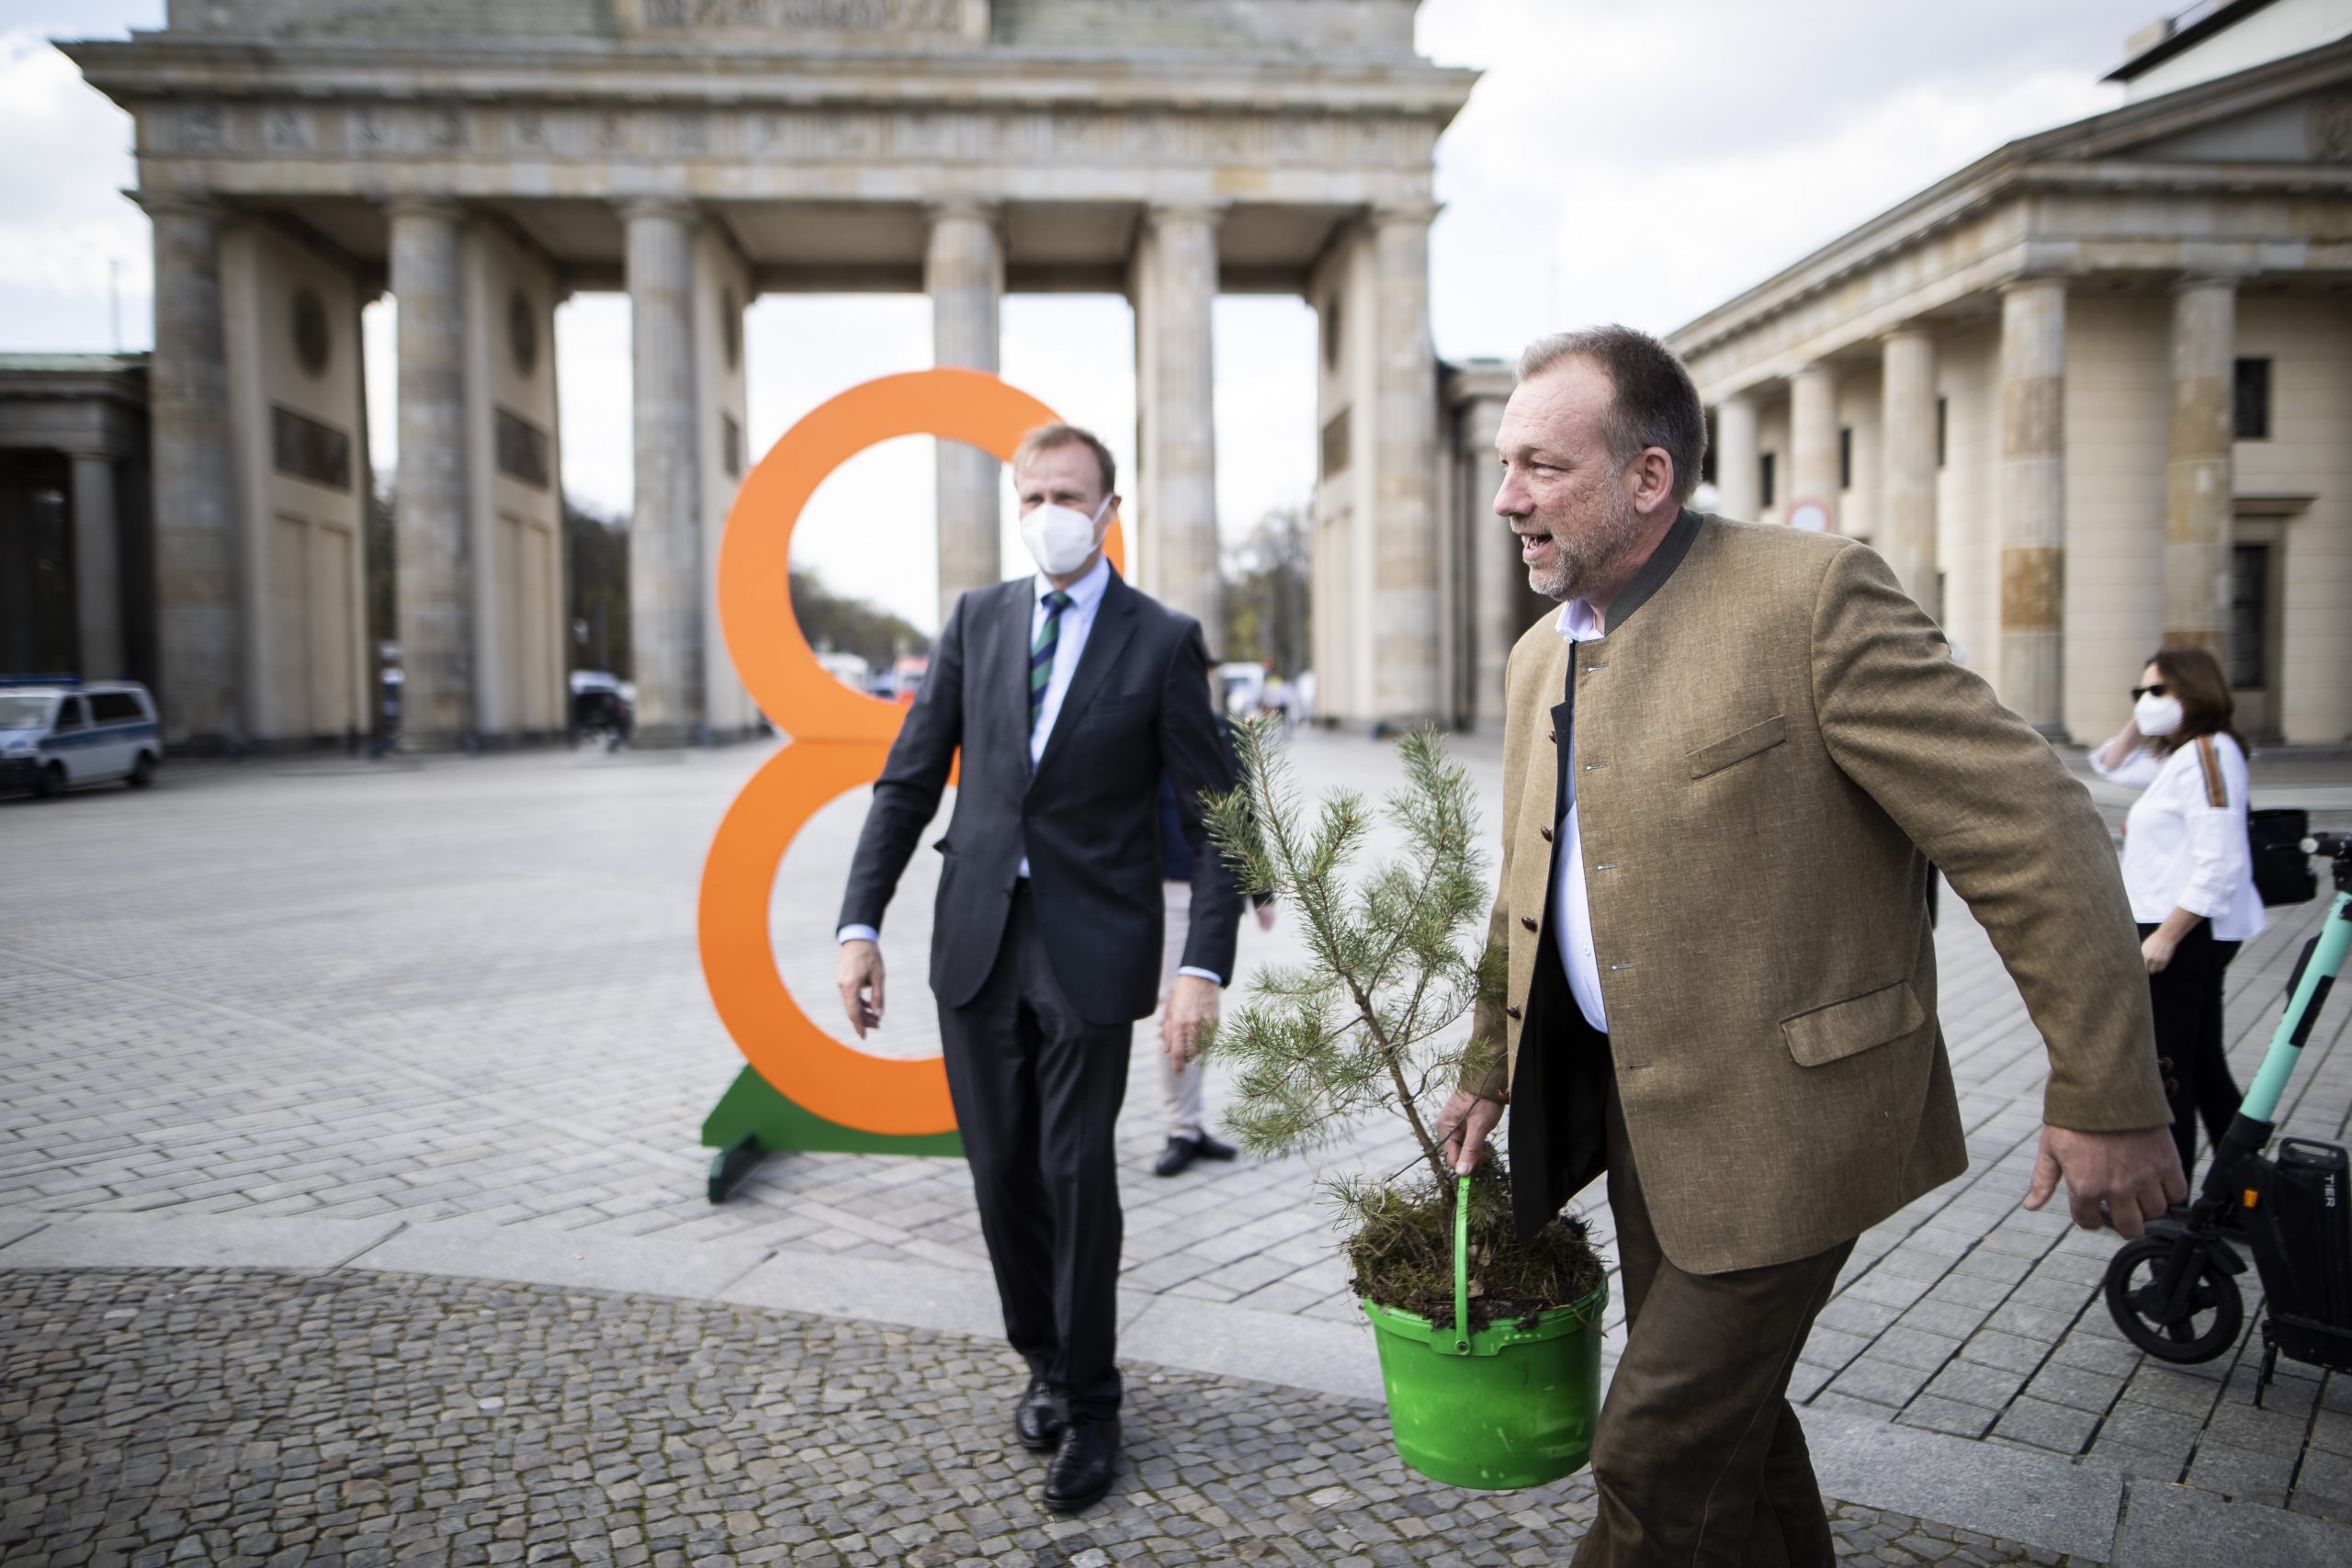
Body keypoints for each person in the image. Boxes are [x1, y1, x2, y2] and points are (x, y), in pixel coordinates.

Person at [1430, 326, 2179, 1568]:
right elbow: (1529, 885)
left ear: (1649, 477)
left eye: (1542, 466)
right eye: (1506, 463)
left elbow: (2033, 828)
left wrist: (2106, 1090)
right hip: (1641, 1115)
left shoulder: (1811, 597)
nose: (1508, 496)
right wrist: (1486, 1062)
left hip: (1792, 1122)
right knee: (1737, 1432)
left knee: (1654, 1453)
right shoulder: (1534, 658)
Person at [834, 423, 1241, 1512]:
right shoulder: (977, 620)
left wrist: (1201, 966)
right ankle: (1045, 1363)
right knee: (999, 1171)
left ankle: (1094, 1404)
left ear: (1109, 511)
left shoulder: (1161, 639)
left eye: (1068, 495)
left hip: (1092, 944)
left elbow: (1217, 816)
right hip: (976, 936)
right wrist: (858, 924)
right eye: (1032, 496)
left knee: (1074, 1171)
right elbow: (907, 780)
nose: (1048, 513)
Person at [2089, 647, 2265, 1182]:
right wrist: (2145, 716)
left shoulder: (2209, 754)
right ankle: (2244, 1187)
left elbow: (2221, 858)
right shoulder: (2182, 756)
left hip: (2183, 930)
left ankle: (2171, 1199)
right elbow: (2109, 763)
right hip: (2174, 925)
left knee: (2169, 1068)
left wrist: (2166, 936)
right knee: (2202, 1062)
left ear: (2194, 691)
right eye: (2139, 692)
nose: (2146, 701)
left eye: (2157, 690)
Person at [1152, 747, 1277, 1178]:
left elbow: (1242, 811)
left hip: (1201, 890)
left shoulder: (1221, 731)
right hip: (1140, 883)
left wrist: (1261, 890)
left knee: (1186, 1009)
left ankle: (1184, 1127)